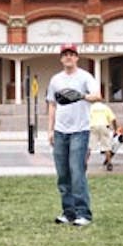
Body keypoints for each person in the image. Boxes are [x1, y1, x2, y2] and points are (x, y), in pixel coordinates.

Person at [46, 43, 101, 225]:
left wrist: (81, 96)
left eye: (72, 54)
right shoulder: (55, 80)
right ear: (61, 58)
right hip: (60, 131)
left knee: (77, 173)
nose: (68, 57)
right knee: (63, 174)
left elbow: (97, 95)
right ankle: (68, 212)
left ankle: (83, 213)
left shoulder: (85, 77)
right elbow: (52, 104)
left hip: (80, 131)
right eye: (65, 54)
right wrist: (50, 129)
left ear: (77, 57)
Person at [89, 100, 118, 171]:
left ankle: (84, 163)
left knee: (89, 146)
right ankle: (109, 163)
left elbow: (86, 118)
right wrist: (115, 129)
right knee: (106, 146)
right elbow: (113, 119)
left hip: (93, 126)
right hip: (104, 126)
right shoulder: (105, 107)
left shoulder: (90, 107)